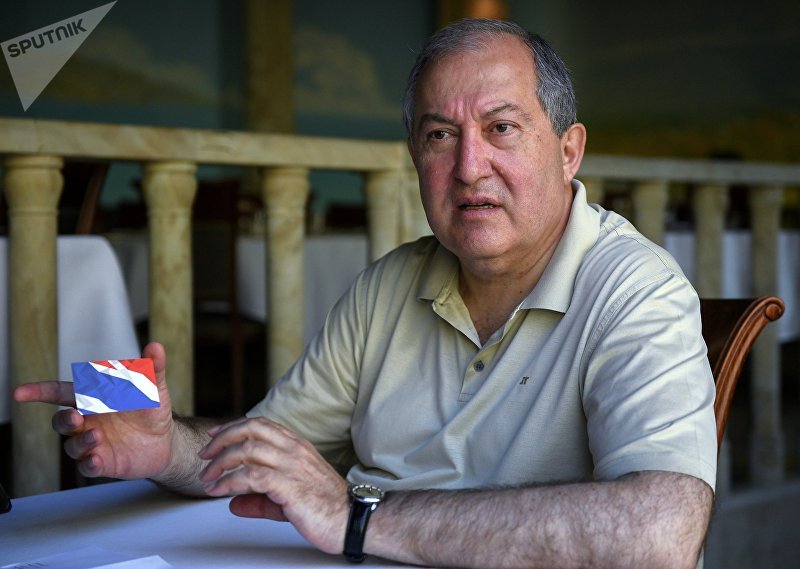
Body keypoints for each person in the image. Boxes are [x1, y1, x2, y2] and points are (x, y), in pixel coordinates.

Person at [14, 18, 716, 569]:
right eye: (440, 135)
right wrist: (166, 444)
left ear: (568, 151)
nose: (469, 166)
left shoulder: (637, 290)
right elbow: (271, 453)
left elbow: (661, 536)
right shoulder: (389, 285)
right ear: (415, 156)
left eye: (501, 128)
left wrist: (357, 515)